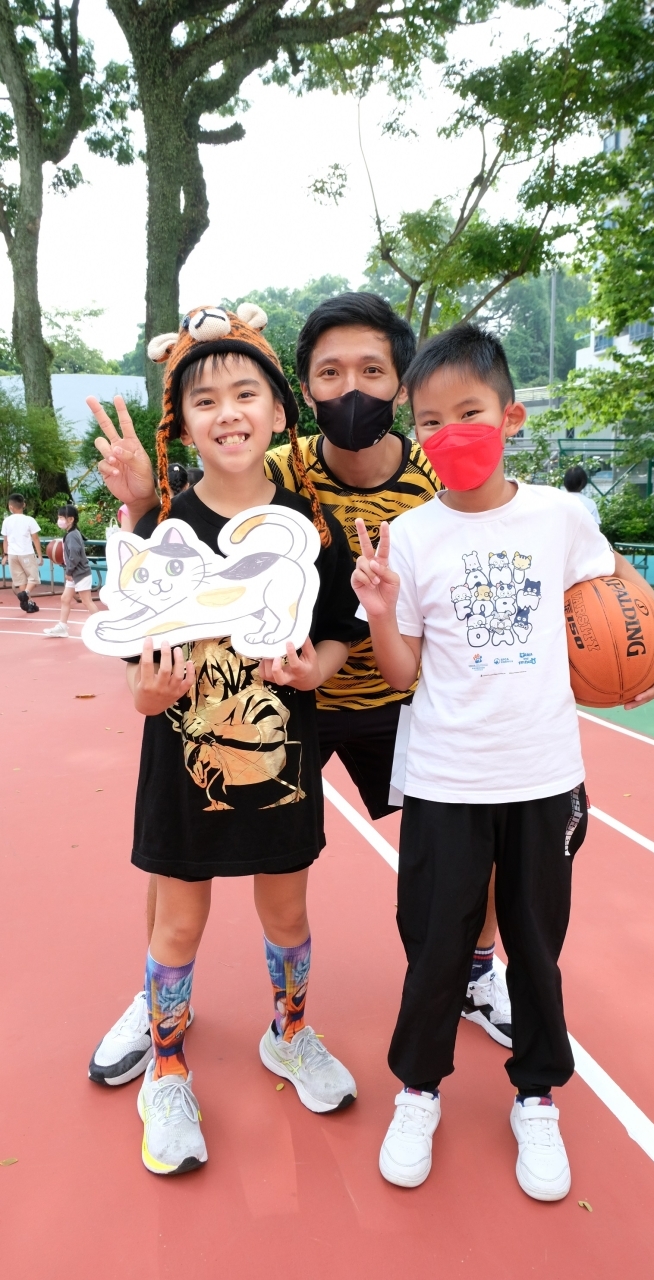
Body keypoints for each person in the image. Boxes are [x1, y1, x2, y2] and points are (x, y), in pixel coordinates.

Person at [87, 293, 511, 1089]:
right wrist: (143, 503)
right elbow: (163, 577)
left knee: (476, 823)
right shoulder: (263, 481)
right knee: (178, 882)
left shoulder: (421, 486)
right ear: (306, 396)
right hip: (252, 724)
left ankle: (472, 973)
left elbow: (495, 534)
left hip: (375, 703)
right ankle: (158, 1013)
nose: (351, 388)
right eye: (330, 372)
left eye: (371, 371)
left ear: (399, 384)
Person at [351, 323, 654, 1199]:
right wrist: (382, 612)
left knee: (537, 948)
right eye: (430, 421)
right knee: (435, 948)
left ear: (512, 416)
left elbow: (615, 578)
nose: (450, 433)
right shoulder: (410, 536)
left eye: (468, 412)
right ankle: (418, 1091)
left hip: (543, 774)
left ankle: (536, 1097)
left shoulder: (559, 515)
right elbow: (402, 675)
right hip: (444, 778)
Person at [87, 305, 366, 1175]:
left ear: (280, 411)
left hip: (283, 769)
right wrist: (149, 692)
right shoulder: (156, 531)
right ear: (183, 422)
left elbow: (337, 634)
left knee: (288, 916)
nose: (228, 412)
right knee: (178, 924)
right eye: (205, 400)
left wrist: (312, 674)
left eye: (246, 393)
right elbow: (136, 672)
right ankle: (167, 1070)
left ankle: (290, 1032)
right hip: (184, 774)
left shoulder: (311, 528)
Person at [44, 505, 99, 638]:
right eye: (59, 517)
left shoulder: (72, 535)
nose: (59, 520)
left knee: (86, 601)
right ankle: (62, 627)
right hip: (75, 574)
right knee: (65, 599)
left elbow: (75, 556)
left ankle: (102, 624)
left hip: (80, 574)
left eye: (61, 517)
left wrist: (69, 571)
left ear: (71, 519)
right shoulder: (71, 534)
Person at [1, 493, 43, 613]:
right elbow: (35, 538)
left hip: (12, 555)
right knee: (34, 578)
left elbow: (5, 540)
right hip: (26, 553)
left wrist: (5, 555)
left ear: (10, 507)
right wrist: (40, 555)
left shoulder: (6, 521)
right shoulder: (29, 520)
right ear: (24, 505)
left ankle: (29, 604)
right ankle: (25, 594)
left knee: (21, 580)